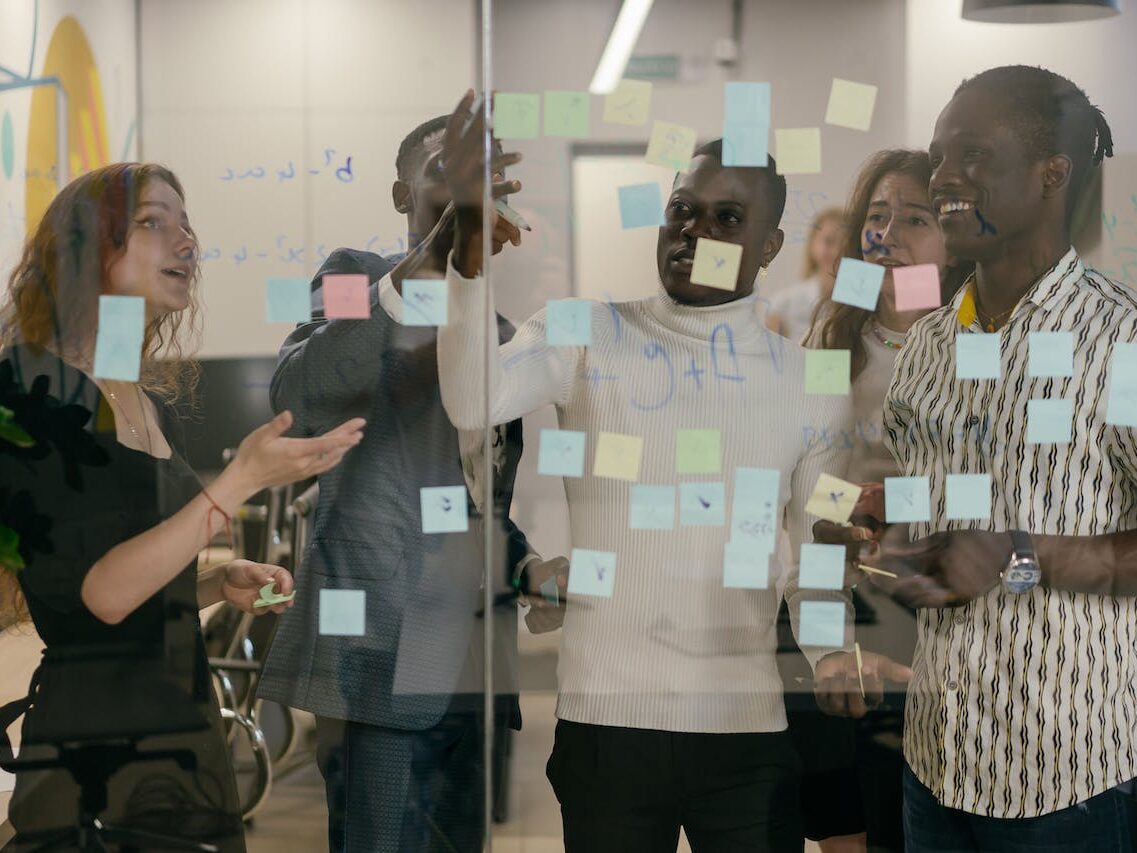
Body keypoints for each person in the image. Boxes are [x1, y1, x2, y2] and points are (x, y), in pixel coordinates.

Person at [435, 90, 908, 852]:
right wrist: (464, 251)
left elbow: (812, 561)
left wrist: (826, 654)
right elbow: (469, 398)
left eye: (726, 218)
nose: (693, 230)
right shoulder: (584, 330)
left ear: (767, 244)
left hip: (744, 735)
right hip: (607, 725)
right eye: (681, 209)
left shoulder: (805, 380)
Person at [0, 162, 363, 850]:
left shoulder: (150, 405)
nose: (186, 242)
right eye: (152, 223)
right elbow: (99, 597)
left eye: (185, 224)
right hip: (96, 751)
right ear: (85, 248)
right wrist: (238, 483)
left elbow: (133, 585)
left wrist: (207, 584)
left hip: (184, 734)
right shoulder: (29, 390)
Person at [256, 114, 565, 853]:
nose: (467, 192)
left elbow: (475, 502)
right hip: (377, 659)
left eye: (481, 177)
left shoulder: (495, 335)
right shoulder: (357, 278)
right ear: (402, 195)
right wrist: (428, 264)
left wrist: (523, 565)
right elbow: (301, 393)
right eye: (445, 172)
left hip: (473, 670)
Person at [852, 66, 1137, 851]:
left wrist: (1022, 554)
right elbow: (921, 534)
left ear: (1052, 176)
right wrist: (877, 539)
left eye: (972, 155)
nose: (943, 176)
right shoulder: (929, 348)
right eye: (941, 155)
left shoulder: (1122, 341)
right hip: (936, 762)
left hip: (1069, 779)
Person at [784, 149, 972, 853]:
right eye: (876, 215)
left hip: (954, 637)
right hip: (854, 631)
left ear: (950, 236)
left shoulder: (977, 345)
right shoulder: (835, 343)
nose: (888, 234)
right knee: (849, 828)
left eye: (914, 219)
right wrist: (849, 507)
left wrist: (901, 495)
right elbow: (814, 494)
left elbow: (1008, 489)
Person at [765, 207, 845, 342]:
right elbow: (771, 358)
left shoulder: (864, 307)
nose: (837, 251)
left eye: (845, 244)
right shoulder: (782, 304)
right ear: (812, 244)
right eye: (829, 241)